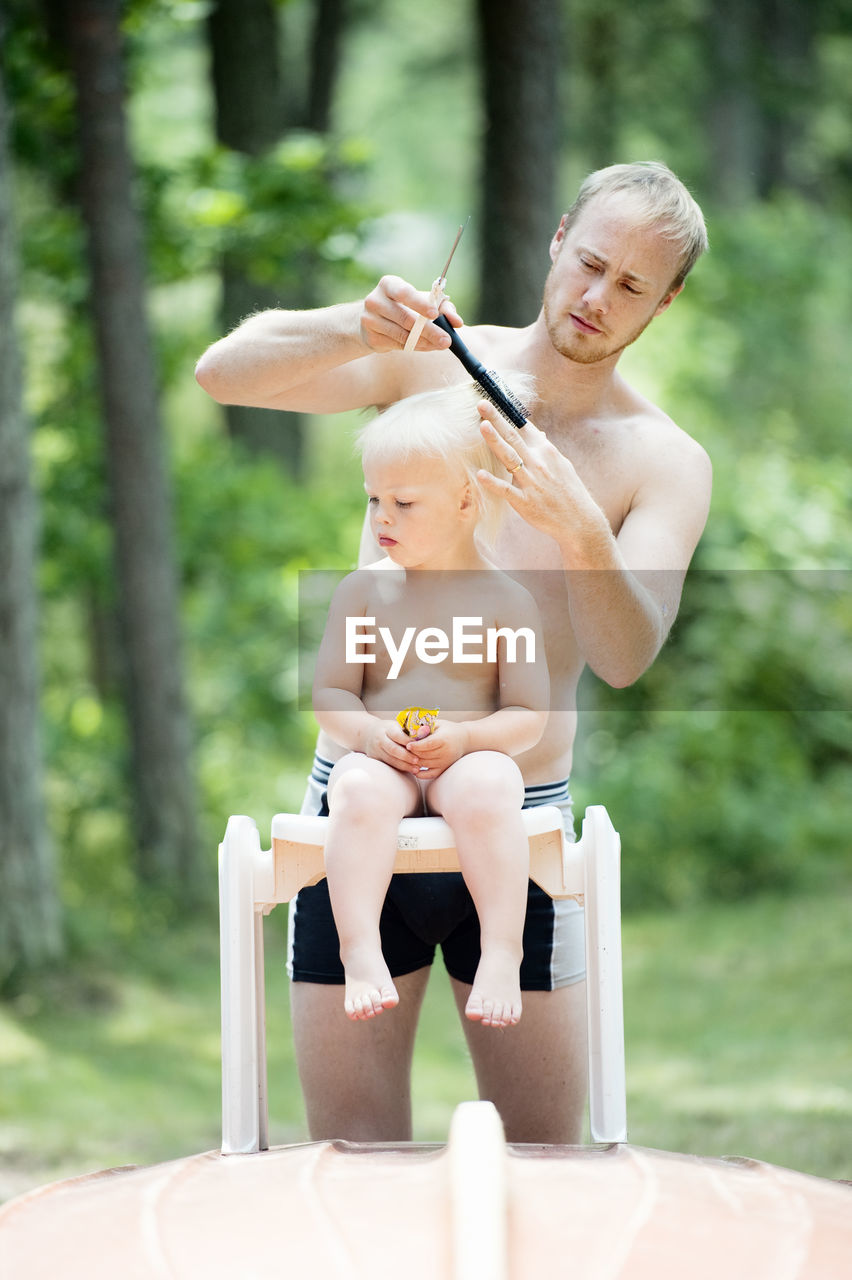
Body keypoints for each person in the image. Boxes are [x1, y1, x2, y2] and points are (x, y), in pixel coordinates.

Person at [196, 160, 712, 1144]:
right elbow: (223, 372)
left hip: (517, 815)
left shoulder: (665, 460)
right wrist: (355, 324)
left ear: (667, 298)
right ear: (560, 237)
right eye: (591, 263)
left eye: (633, 286)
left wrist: (580, 533)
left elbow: (625, 654)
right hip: (360, 794)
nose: (597, 299)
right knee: (350, 1164)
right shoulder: (436, 361)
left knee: (547, 1168)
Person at [312, 382, 549, 1030]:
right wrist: (366, 736)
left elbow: (529, 713)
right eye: (373, 500)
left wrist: (470, 741)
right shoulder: (363, 593)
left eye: (404, 502)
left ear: (467, 500)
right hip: (385, 761)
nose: (380, 518)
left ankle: (502, 950)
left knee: (492, 785)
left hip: (462, 761)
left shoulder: (507, 601)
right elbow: (331, 694)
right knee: (353, 789)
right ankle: (360, 949)